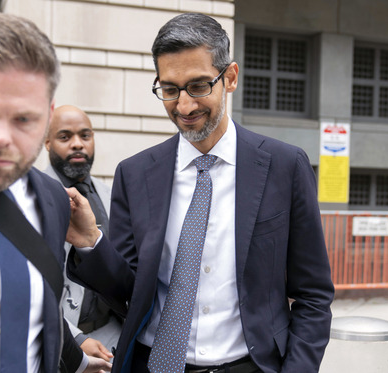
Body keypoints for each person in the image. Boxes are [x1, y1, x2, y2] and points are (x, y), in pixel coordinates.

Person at [66, 12, 334, 373]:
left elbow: (313, 295)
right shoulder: (134, 173)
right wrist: (90, 242)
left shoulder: (285, 167)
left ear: (231, 77)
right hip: (154, 365)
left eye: (198, 86)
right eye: (170, 89)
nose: (185, 106)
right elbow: (128, 290)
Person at [0, 12, 111, 373]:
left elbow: (33, 304)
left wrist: (75, 361)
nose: (1, 137)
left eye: (23, 119)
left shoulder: (55, 200)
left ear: (47, 114)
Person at [44, 105, 123, 361]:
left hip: (115, 336)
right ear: (47, 143)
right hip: (62, 341)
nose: (77, 144)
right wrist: (75, 339)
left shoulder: (112, 194)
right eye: (65, 137)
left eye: (85, 136)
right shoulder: (33, 197)